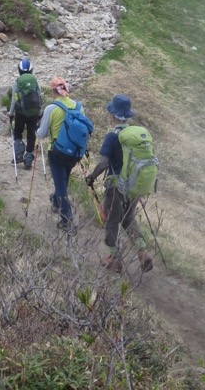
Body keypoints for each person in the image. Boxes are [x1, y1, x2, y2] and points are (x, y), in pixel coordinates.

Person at [86, 94, 154, 274]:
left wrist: (91, 177)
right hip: (134, 186)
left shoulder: (112, 136)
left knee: (112, 221)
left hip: (116, 187)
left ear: (114, 115)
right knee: (129, 219)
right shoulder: (135, 136)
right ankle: (142, 253)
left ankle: (115, 259)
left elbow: (103, 163)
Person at [37, 77, 90, 233]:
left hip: (57, 152)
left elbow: (42, 133)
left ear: (54, 91)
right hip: (75, 153)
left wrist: (36, 129)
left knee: (61, 185)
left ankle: (66, 219)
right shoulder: (78, 107)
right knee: (63, 179)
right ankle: (55, 201)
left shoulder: (51, 108)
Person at [8, 58, 43, 170]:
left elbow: (14, 100)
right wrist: (39, 112)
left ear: (19, 70)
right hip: (34, 112)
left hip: (21, 112)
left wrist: (11, 113)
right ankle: (28, 159)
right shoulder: (35, 81)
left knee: (18, 132)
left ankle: (18, 154)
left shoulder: (17, 82)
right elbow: (39, 97)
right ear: (31, 70)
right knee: (31, 134)